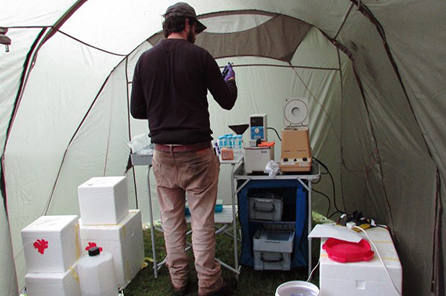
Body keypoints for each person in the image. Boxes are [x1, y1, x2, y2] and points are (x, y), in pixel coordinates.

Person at [130, 2, 238, 296]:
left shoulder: (145, 60)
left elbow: (138, 110)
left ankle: (179, 282)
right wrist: (230, 80)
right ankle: (208, 284)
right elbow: (227, 101)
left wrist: (162, 105)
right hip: (198, 154)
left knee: (171, 221)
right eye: (195, 29)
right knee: (202, 221)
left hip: (163, 154)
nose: (196, 35)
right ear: (187, 24)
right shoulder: (200, 56)